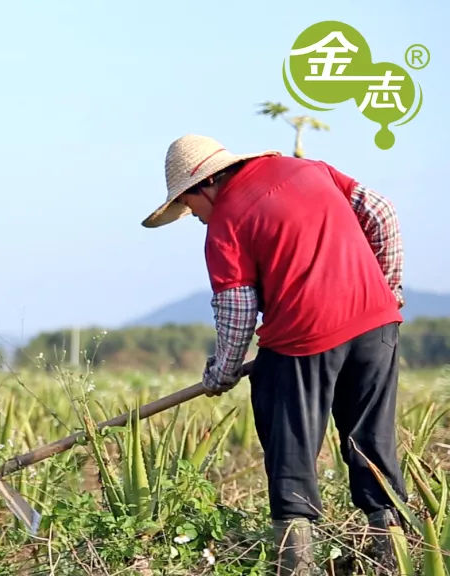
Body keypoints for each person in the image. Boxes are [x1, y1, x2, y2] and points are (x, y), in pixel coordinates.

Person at [141, 135, 406, 575]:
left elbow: (237, 307)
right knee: (371, 439)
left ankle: (295, 564)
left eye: (190, 210)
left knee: (290, 446)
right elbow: (381, 210)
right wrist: (388, 289)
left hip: (302, 338)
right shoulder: (309, 169)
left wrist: (222, 372)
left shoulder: (227, 222)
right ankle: (393, 558)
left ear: (202, 187)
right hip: (377, 326)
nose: (197, 220)